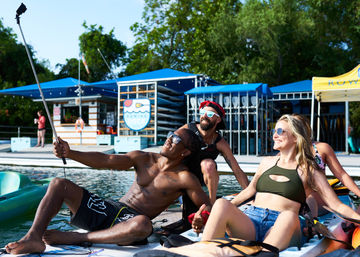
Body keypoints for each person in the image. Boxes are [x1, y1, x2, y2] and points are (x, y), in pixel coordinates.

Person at [5, 128, 211, 255]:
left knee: (144, 224)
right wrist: (70, 153)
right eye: (171, 134)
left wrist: (200, 217)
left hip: (132, 221)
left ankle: (78, 238)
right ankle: (33, 237)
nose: (169, 139)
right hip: (110, 208)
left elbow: (206, 207)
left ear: (184, 152)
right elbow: (106, 161)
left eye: (176, 140)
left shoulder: (185, 178)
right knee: (59, 183)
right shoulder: (143, 157)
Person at [190, 114, 360, 251]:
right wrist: (212, 214)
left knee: (288, 215)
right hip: (252, 219)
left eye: (280, 130)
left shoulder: (309, 170)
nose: (274, 134)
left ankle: (264, 254)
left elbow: (337, 206)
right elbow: (248, 191)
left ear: (295, 137)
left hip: (284, 224)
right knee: (221, 204)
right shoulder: (266, 162)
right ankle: (202, 252)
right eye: (274, 130)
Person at [178, 100, 249, 204]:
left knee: (208, 164)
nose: (204, 116)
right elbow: (169, 145)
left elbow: (236, 170)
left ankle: (211, 203)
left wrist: (249, 193)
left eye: (210, 114)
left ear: (218, 119)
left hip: (201, 177)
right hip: (181, 175)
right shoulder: (188, 129)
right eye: (202, 113)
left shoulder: (220, 142)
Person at [292, 114, 360, 216]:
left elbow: (341, 175)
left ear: (306, 128)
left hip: (322, 205)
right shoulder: (283, 154)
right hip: (296, 209)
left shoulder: (321, 148)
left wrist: (359, 193)